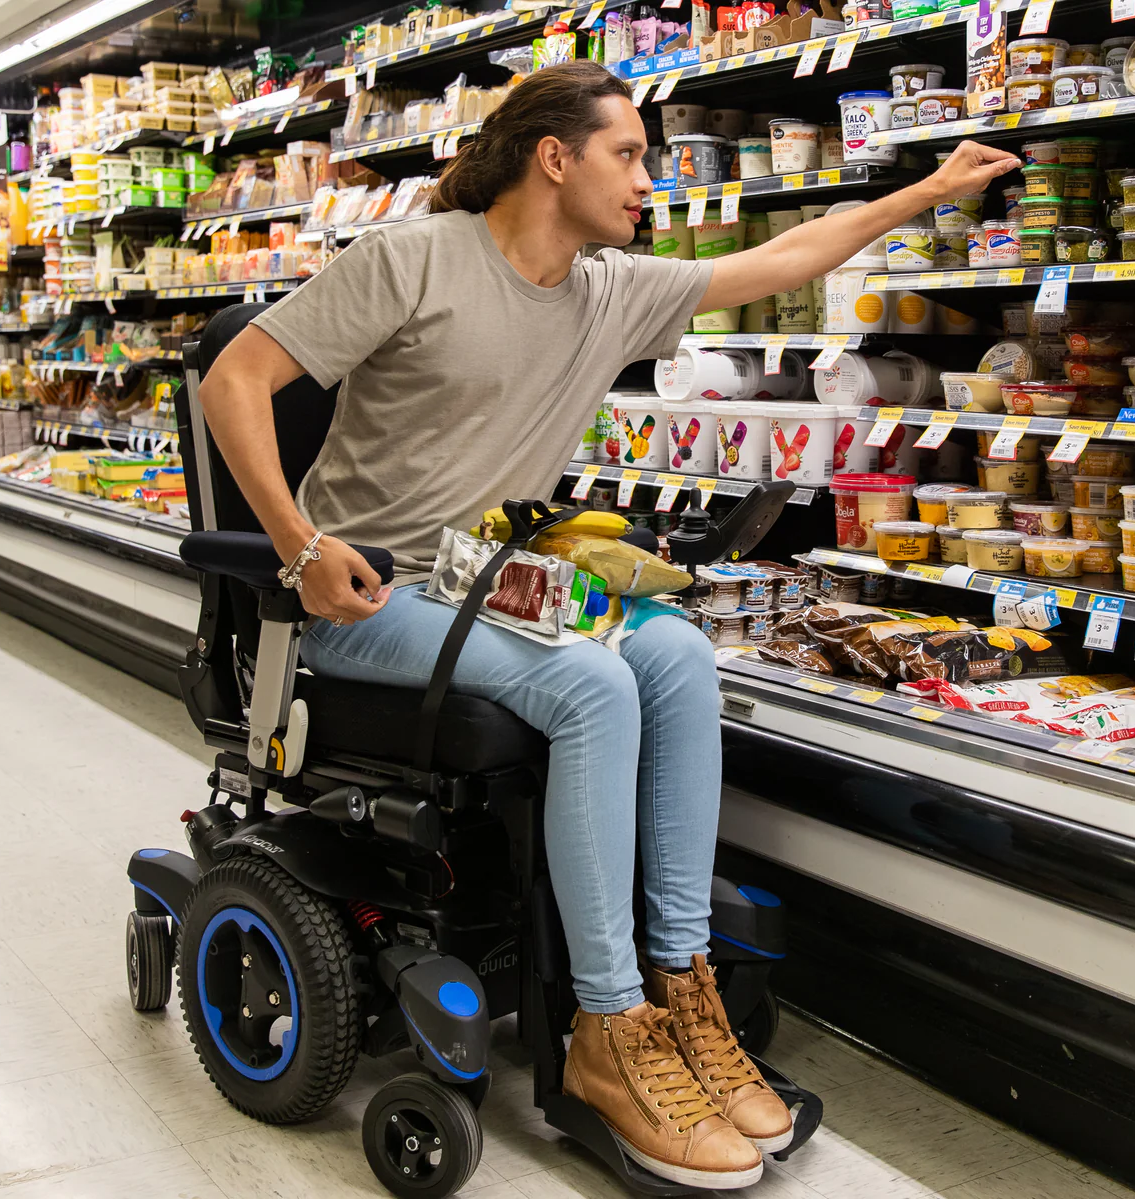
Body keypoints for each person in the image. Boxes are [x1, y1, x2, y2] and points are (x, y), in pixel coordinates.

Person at [199, 61, 1020, 1189]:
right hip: (366, 602)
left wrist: (918, 193)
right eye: (628, 153)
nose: (649, 176)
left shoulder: (608, 285)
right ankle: (606, 1025)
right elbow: (234, 378)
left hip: (495, 585)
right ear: (555, 157)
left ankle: (682, 989)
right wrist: (300, 545)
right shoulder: (409, 260)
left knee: (677, 651)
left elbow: (777, 260)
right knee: (594, 686)